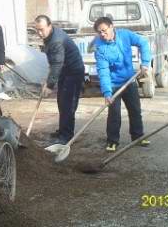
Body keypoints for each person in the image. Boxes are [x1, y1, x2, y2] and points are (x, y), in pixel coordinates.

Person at [93, 16, 151, 152]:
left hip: (129, 80)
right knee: (114, 114)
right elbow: (103, 71)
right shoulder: (100, 47)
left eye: (104, 30)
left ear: (111, 27)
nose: (102, 34)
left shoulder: (125, 35)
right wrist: (107, 92)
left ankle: (138, 137)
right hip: (113, 84)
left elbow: (143, 42)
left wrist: (145, 62)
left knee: (135, 110)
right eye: (99, 32)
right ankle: (112, 141)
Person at [36, 15, 85, 144]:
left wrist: (50, 85)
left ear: (49, 26)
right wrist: (47, 80)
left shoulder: (56, 40)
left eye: (42, 29)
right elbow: (54, 63)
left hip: (74, 72)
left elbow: (57, 63)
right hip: (65, 70)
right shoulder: (49, 36)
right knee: (61, 101)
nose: (40, 33)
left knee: (68, 104)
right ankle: (63, 130)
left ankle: (66, 136)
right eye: (37, 30)